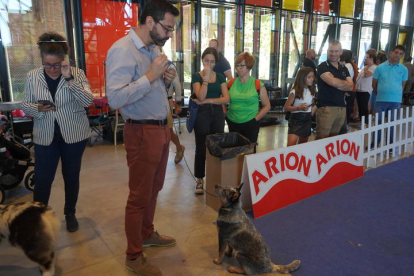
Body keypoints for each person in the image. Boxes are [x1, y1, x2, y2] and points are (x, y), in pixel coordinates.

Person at [106, 0, 179, 275]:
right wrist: (151, 76)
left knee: (154, 188)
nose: (170, 34)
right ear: (150, 22)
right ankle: (133, 256)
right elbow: (115, 98)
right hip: (141, 132)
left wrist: (166, 79)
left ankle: (147, 233)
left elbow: (154, 86)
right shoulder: (122, 50)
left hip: (160, 130)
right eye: (168, 28)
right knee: (138, 196)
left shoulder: (154, 49)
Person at [21, 32, 93, 233]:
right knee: (43, 180)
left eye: (56, 65)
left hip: (73, 136)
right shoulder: (32, 76)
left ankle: (70, 213)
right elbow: (25, 105)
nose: (52, 69)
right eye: (47, 64)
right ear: (42, 60)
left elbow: (87, 101)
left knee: (71, 176)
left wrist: (68, 78)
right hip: (45, 136)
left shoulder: (76, 74)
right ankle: (38, 218)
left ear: (64, 60)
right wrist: (37, 109)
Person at [191, 47, 230, 194]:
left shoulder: (220, 77)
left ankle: (216, 179)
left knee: (216, 146)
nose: (209, 64)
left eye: (212, 62)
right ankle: (200, 179)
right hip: (202, 115)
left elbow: (226, 98)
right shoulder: (196, 76)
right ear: (202, 60)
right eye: (206, 61)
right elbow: (200, 96)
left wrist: (208, 101)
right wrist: (206, 79)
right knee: (201, 147)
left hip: (217, 114)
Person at [226, 52, 271, 146]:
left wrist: (255, 119)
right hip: (232, 121)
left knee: (249, 153)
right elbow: (222, 99)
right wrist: (225, 113)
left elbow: (267, 105)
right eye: (237, 65)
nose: (238, 68)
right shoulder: (230, 83)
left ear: (249, 67)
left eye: (242, 66)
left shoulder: (258, 85)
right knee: (234, 152)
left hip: (250, 123)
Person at [315, 40, 353, 140]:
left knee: (335, 140)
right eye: (331, 51)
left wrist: (336, 82)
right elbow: (332, 82)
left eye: (336, 51)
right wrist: (340, 83)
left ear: (341, 52)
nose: (333, 54)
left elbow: (350, 86)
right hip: (326, 107)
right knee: (322, 139)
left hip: (341, 107)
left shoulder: (344, 68)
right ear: (327, 51)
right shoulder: (322, 67)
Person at [371, 45, 408, 148]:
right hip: (381, 99)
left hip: (395, 101)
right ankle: (375, 143)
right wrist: (379, 92)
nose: (397, 55)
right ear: (391, 52)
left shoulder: (404, 69)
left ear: (402, 55)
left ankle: (389, 145)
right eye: (396, 52)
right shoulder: (380, 67)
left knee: (392, 123)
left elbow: (403, 85)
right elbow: (374, 84)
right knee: (378, 122)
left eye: (400, 54)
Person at [284, 67, 317, 146]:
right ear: (302, 78)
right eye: (309, 77)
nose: (312, 79)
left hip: (307, 119)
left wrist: (312, 110)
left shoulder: (312, 91)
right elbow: (286, 107)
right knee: (291, 145)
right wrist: (299, 108)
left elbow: (314, 103)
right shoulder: (294, 91)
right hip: (296, 119)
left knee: (302, 146)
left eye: (313, 77)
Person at [167, 65, 185, 164]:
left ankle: (179, 148)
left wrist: (178, 103)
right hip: (152, 101)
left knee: (168, 129)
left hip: (166, 99)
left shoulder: (169, 65)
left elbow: (177, 85)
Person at [355, 49, 377, 125]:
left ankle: (365, 122)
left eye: (367, 57)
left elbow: (366, 74)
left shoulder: (374, 67)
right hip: (359, 89)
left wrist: (365, 68)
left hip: (365, 90)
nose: (365, 59)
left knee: (364, 107)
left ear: (371, 58)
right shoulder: (366, 67)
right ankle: (361, 120)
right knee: (360, 106)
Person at [370, 51, 387, 115]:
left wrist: (374, 89)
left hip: (377, 90)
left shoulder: (378, 68)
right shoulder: (386, 68)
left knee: (375, 107)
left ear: (378, 60)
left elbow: (374, 81)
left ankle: (374, 120)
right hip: (383, 91)